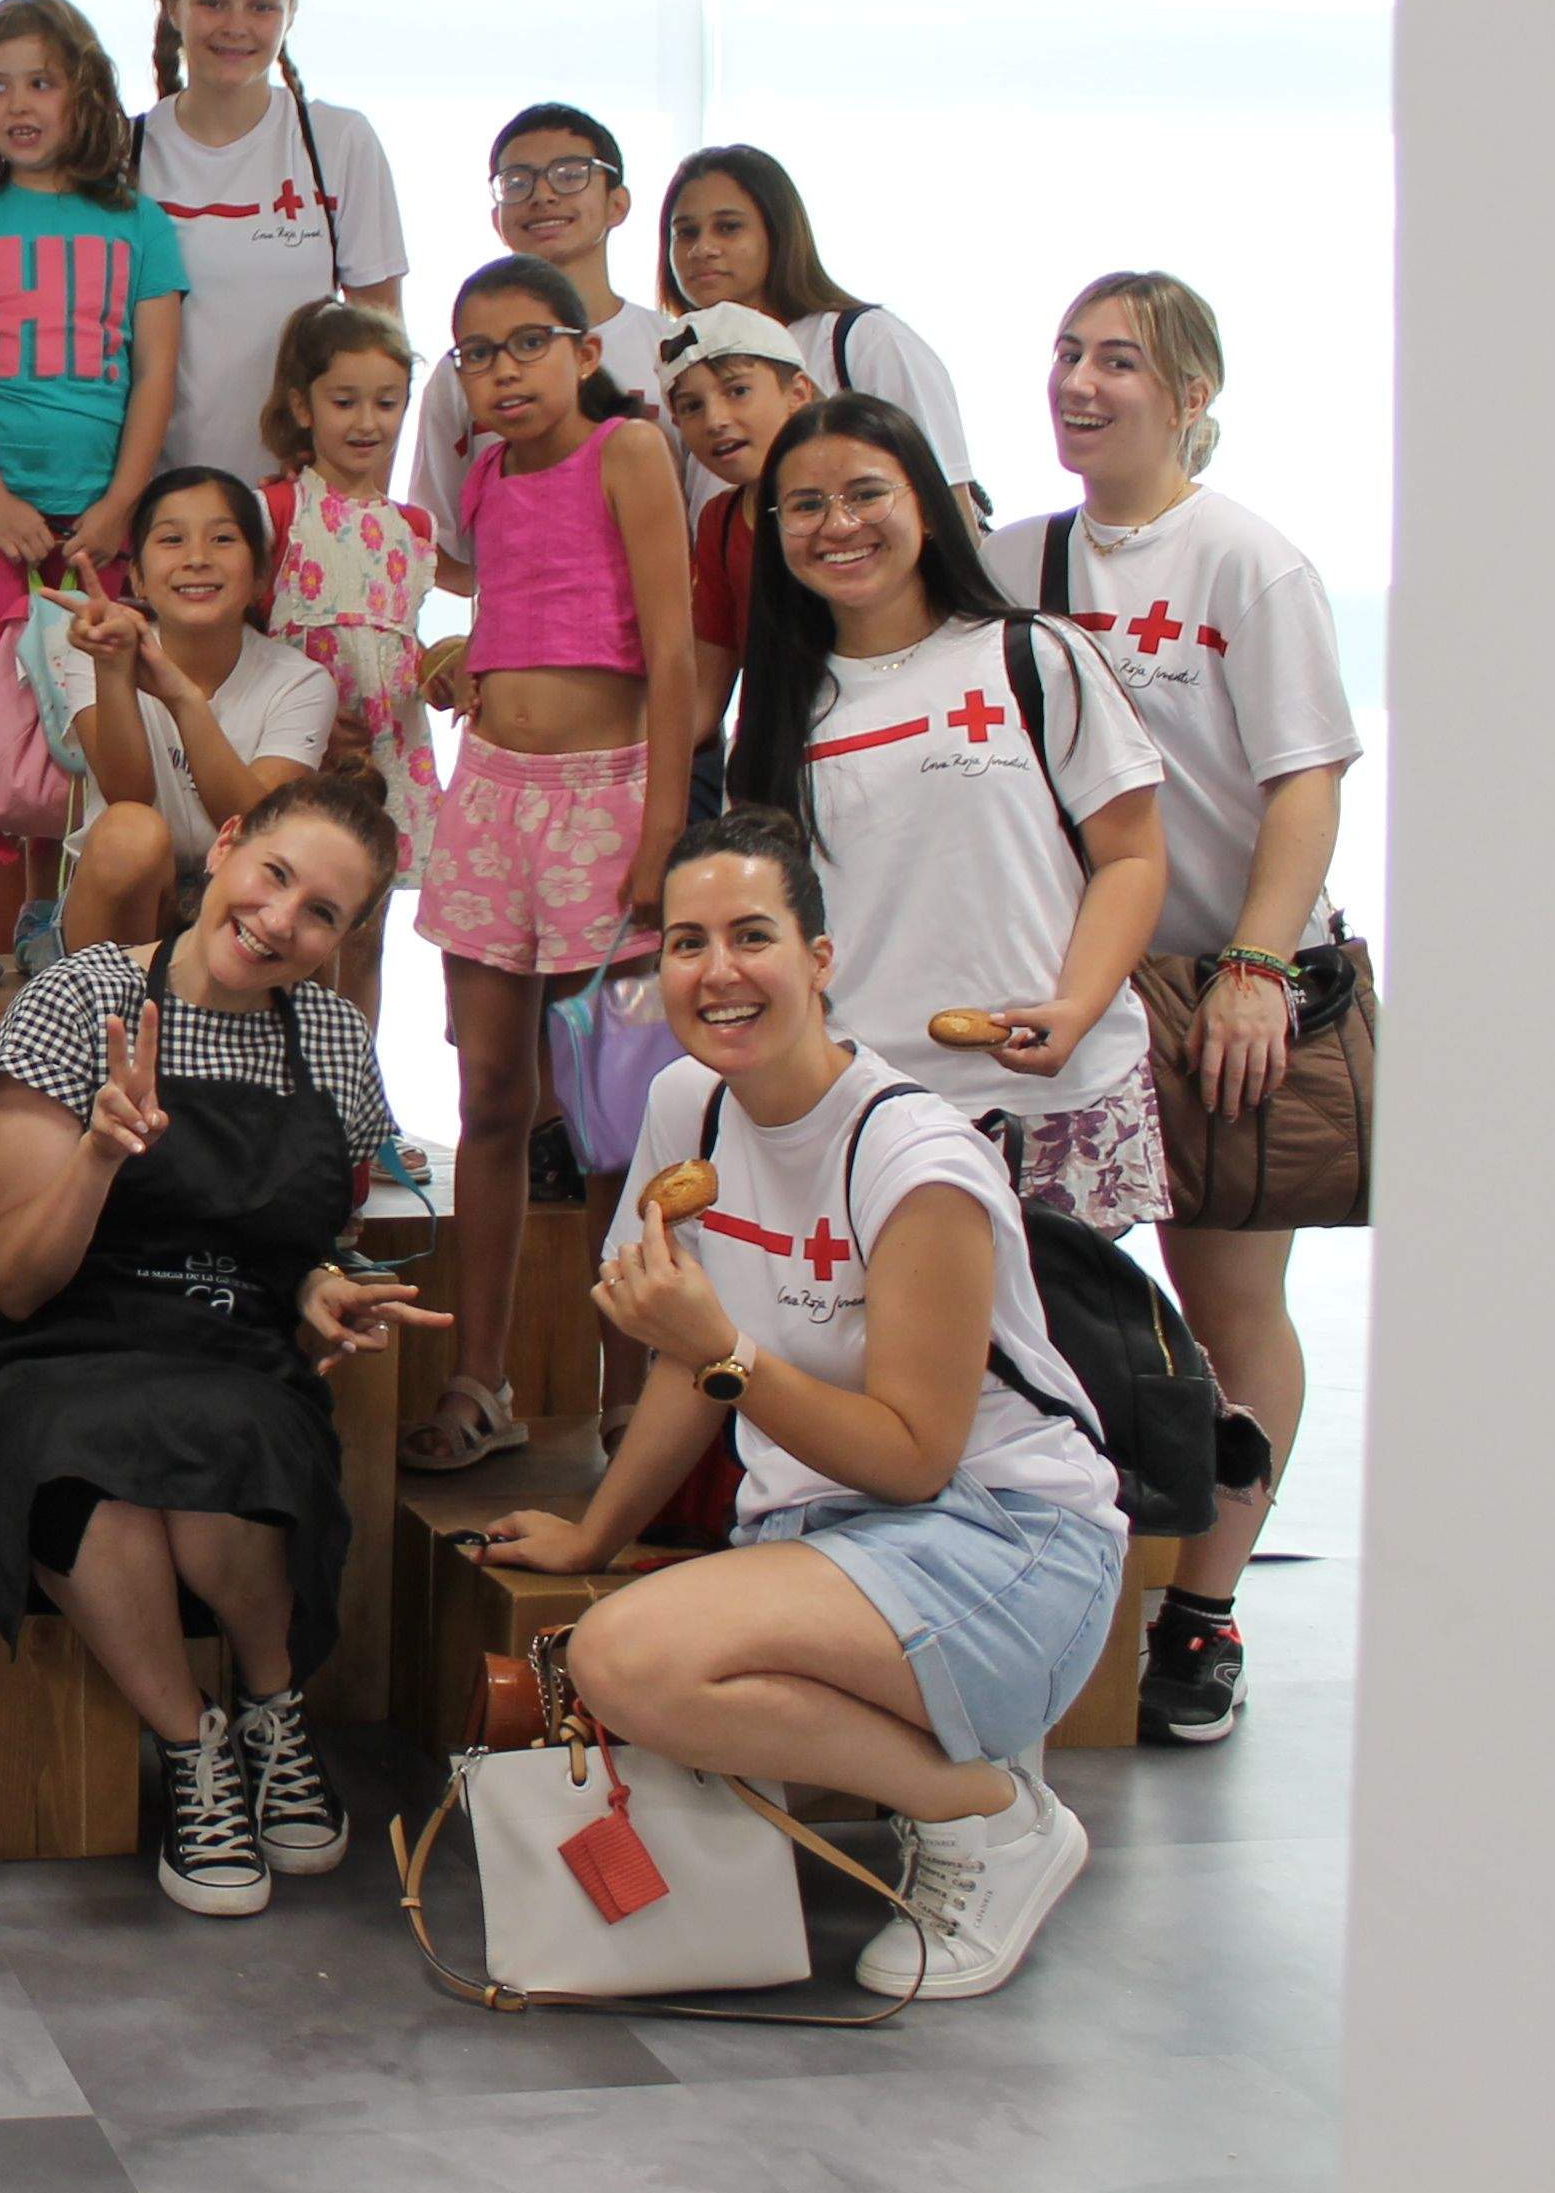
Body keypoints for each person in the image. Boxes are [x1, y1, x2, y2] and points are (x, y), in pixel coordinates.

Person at [482, 810, 1125, 2000]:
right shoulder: (693, 1106)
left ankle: (988, 1821)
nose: (717, 971)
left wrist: (725, 1352)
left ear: (820, 960)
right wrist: (593, 1535)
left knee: (625, 1658)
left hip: (1007, 1536)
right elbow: (690, 1366)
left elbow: (914, 1457)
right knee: (630, 1648)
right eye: (685, 942)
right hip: (831, 1537)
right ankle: (967, 1774)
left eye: (752, 935)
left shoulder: (914, 1161)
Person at [987, 272, 1357, 1745]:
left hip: (1222, 989)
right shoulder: (1022, 558)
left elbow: (1306, 783)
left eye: (1121, 361)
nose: (1083, 383)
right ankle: (1068, 1581)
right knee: (1054, 1292)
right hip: (1079, 987)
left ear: (1192, 393)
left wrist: (1257, 970)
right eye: (1069, 354)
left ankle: (1204, 1608)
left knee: (1228, 1299)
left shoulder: (1247, 564)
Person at [0, 773, 431, 1918]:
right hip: (54, 1352)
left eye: (322, 912)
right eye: (273, 876)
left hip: (234, 1351)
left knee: (227, 1433)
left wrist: (324, 1286)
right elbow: (13, 1283)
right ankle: (195, 1745)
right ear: (223, 848)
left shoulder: (328, 1035)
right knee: (79, 1456)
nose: (280, 921)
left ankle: (272, 1709)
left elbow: (310, 1243)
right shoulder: (79, 998)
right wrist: (99, 1158)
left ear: (347, 937)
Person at [725, 396, 1168, 1235]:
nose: (838, 524)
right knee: (896, 1366)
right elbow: (769, 922)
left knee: (1063, 1366)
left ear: (926, 505)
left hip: (1050, 1097)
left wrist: (1074, 1009)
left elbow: (1132, 859)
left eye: (866, 493)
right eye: (807, 505)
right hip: (868, 1107)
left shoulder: (1034, 655)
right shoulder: (778, 712)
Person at [406, 257, 696, 1474]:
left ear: (583, 351)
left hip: (608, 804)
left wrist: (664, 831)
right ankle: (484, 1380)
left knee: (614, 1116)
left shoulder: (628, 451)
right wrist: (471, 648)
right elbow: (520, 593)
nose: (504, 370)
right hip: (492, 803)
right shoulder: (480, 471)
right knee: (490, 1101)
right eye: (478, 353)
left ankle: (627, 1391)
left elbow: (674, 654)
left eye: (529, 344)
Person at [0, 0, 183, 964]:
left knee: (91, 746)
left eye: (41, 81)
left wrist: (117, 505)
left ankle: (73, 963)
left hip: (97, 521)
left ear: (86, 95)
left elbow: (156, 371)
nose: (18, 103)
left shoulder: (143, 225)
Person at [131, 0, 405, 483]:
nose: (236, 26)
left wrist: (361, 507)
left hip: (303, 496)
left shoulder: (338, 142)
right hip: (160, 504)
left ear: (290, 15)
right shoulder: (122, 152)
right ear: (173, 7)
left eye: (262, 6)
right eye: (212, 2)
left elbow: (381, 345)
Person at [54, 466, 339, 957]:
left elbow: (255, 823)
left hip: (242, 903)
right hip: (120, 904)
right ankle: (100, 1016)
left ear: (260, 576)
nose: (197, 559)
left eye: (223, 538)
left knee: (302, 870)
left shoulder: (301, 681)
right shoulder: (92, 648)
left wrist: (182, 697)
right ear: (138, 577)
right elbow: (128, 790)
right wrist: (114, 669)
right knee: (130, 833)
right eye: (171, 540)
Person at [253, 300, 437, 1017]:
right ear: (302, 405)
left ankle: (353, 1090)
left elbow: (403, 645)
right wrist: (310, 726)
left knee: (364, 932)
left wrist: (444, 673)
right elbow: (246, 638)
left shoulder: (414, 527)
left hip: (390, 757)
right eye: (345, 401)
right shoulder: (275, 509)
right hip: (302, 755)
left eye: (387, 403)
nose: (368, 422)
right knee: (289, 922)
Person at [661, 144, 980, 508]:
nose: (702, 249)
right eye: (685, 233)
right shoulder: (681, 365)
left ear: (778, 233)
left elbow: (947, 499)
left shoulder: (864, 339)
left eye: (728, 227)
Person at [412, 105, 669, 539]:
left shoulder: (669, 347)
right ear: (498, 220)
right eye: (517, 181)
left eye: (570, 175)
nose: (543, 195)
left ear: (617, 204)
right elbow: (434, 539)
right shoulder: (464, 367)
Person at [659, 301, 820, 797]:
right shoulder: (720, 522)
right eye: (691, 406)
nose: (715, 419)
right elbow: (707, 689)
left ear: (797, 394)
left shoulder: (858, 505)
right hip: (775, 765)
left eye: (738, 391)